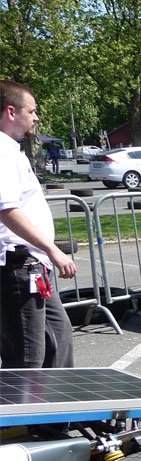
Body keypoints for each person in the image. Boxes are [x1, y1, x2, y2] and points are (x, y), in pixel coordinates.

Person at [0, 80, 77, 368]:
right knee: (27, 359)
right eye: (31, 111)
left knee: (59, 335)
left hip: (33, 265)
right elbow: (7, 210)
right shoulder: (2, 152)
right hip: (19, 266)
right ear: (11, 111)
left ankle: (61, 412)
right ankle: (23, 413)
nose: (36, 117)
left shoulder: (10, 150)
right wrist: (53, 250)